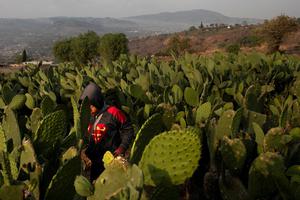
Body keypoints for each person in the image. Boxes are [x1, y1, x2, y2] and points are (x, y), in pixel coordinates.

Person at [80, 82, 134, 182]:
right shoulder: (88, 116)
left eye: (91, 106)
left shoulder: (114, 112)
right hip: (95, 162)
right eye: (87, 106)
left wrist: (121, 148)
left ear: (97, 101)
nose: (89, 109)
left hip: (111, 159)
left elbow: (128, 130)